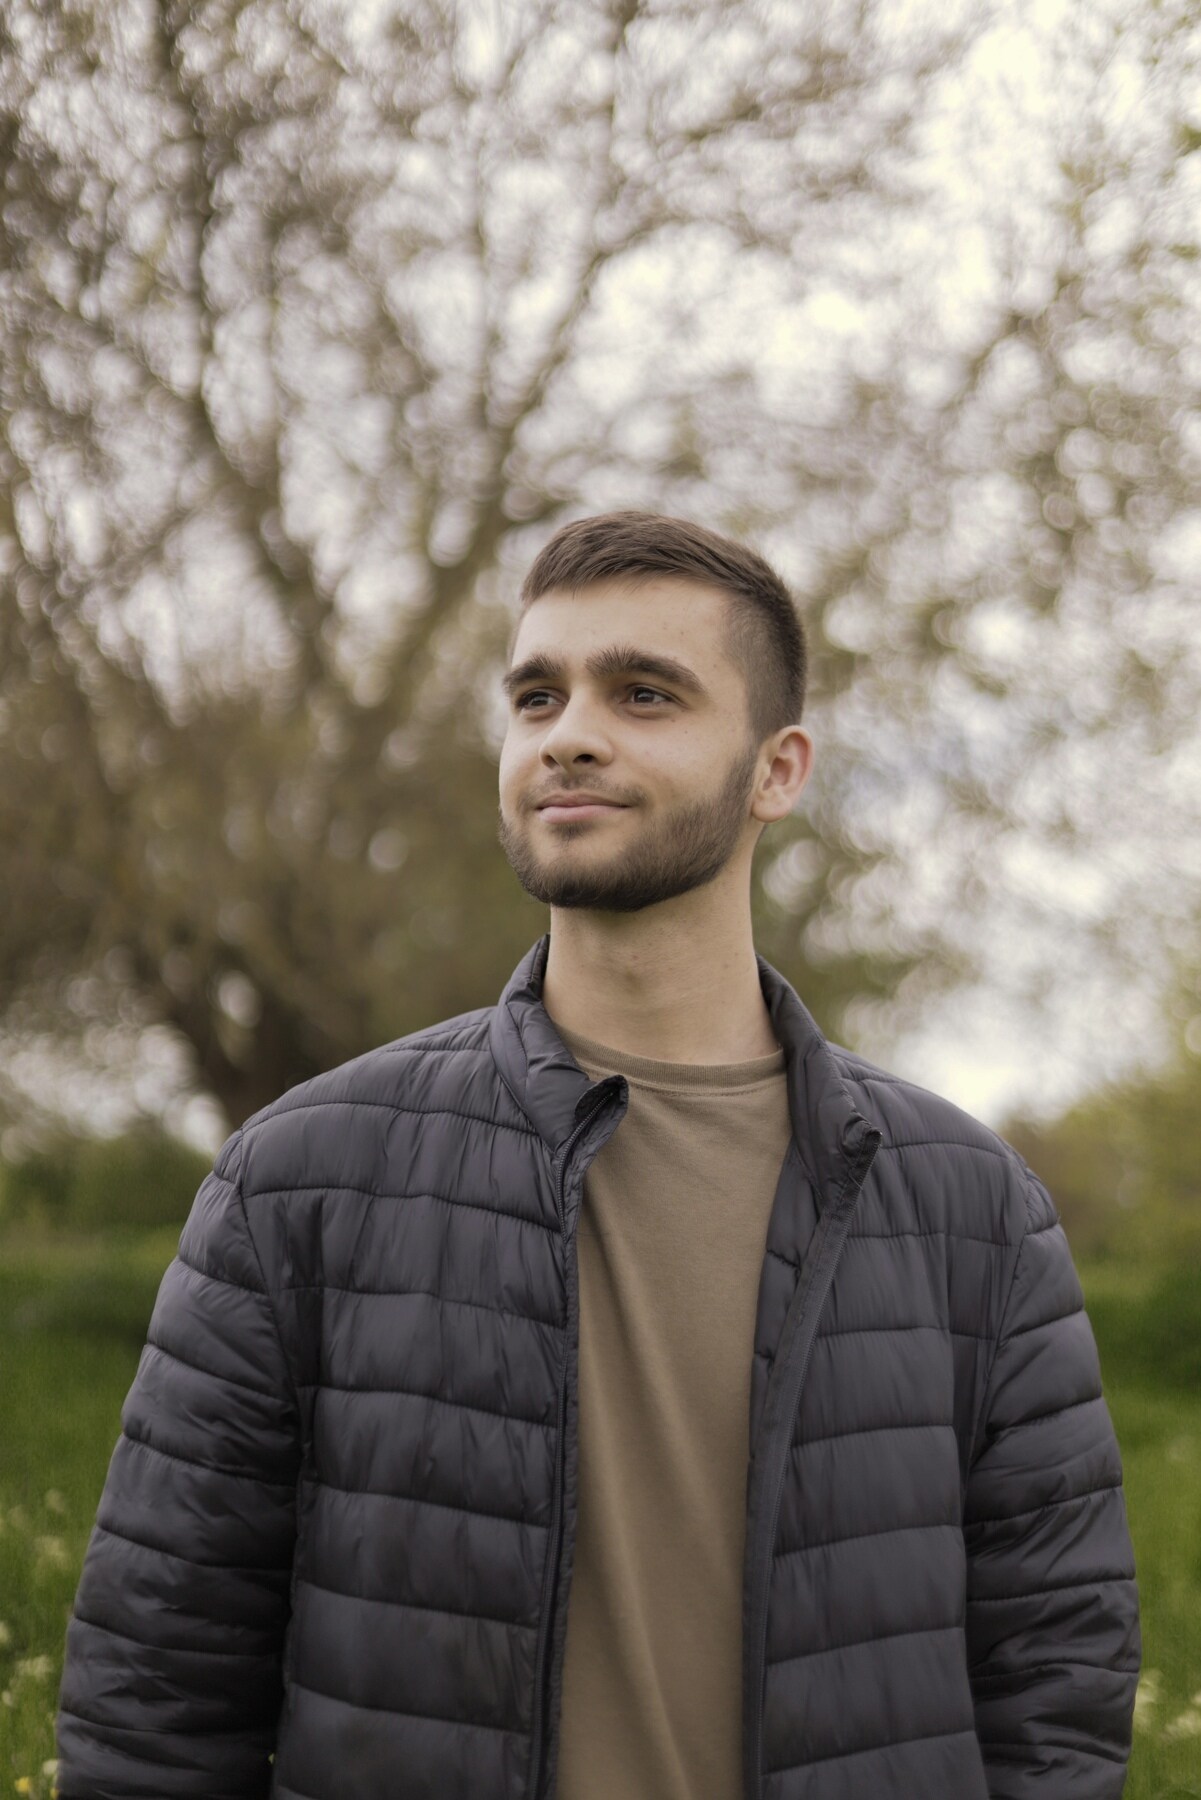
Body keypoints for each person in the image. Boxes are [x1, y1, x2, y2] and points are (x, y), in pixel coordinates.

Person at [56, 511, 1140, 1799]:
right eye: (537, 696)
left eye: (643, 694)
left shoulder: (975, 1213)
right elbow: (156, 1694)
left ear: (777, 769)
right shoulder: (298, 1180)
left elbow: (1057, 1691)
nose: (568, 734)